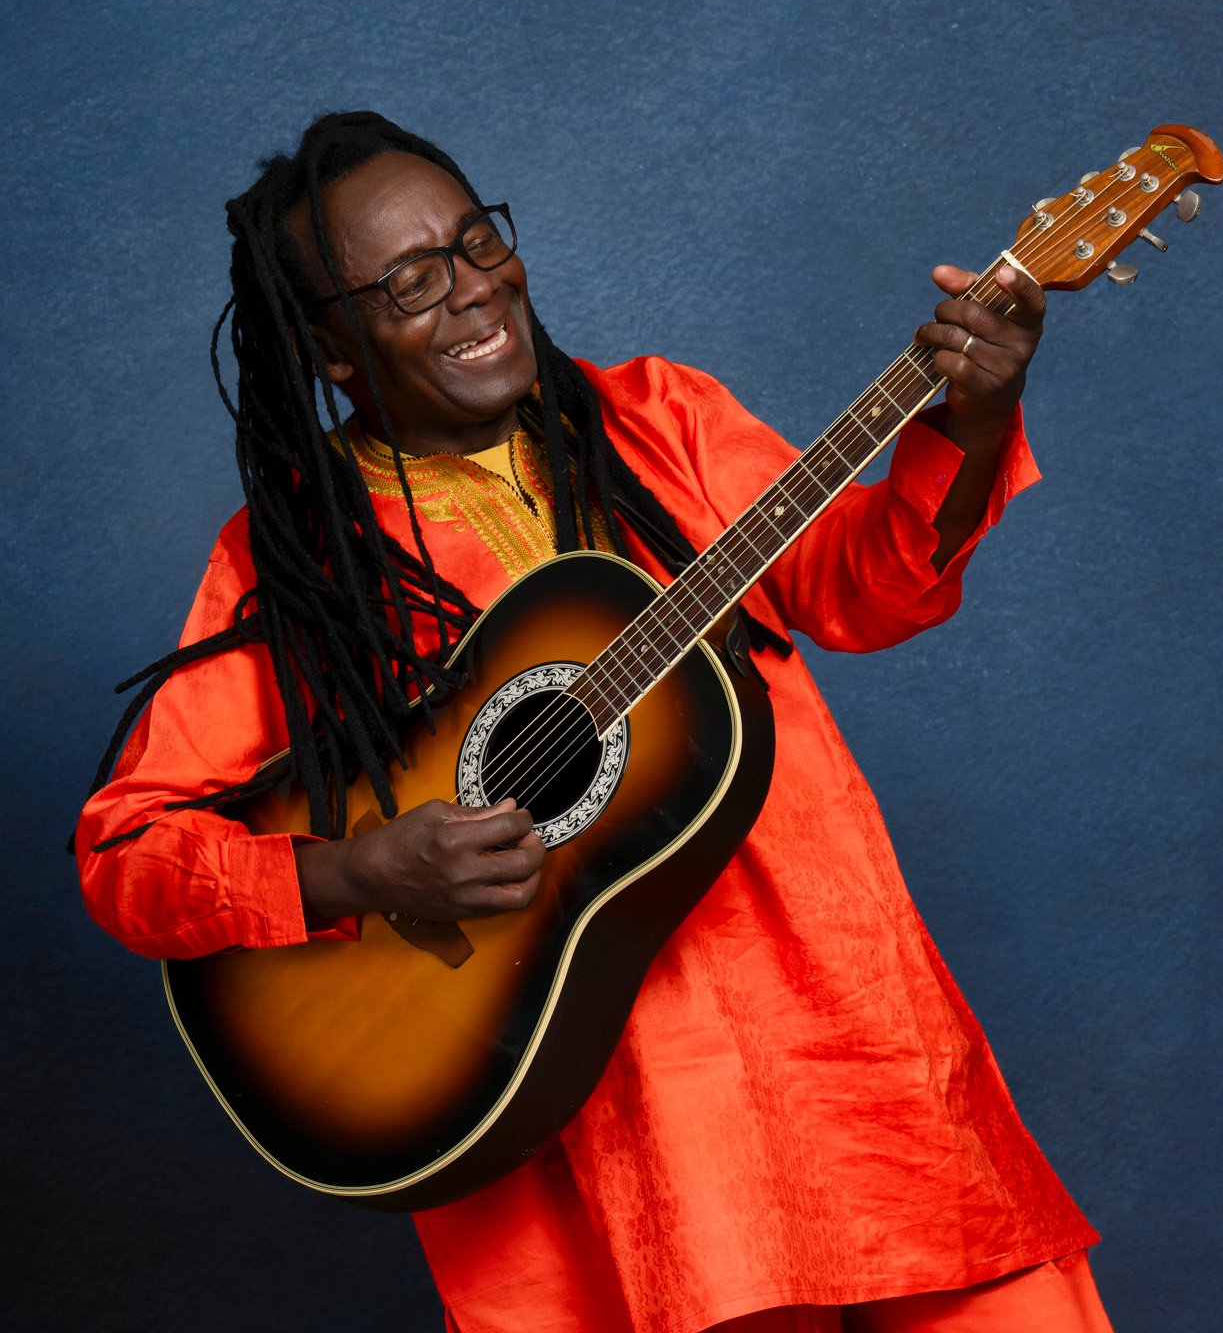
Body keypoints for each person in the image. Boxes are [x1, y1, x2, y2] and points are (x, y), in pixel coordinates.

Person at [74, 112, 1111, 1333]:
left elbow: (864, 586)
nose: (475, 288)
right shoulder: (298, 564)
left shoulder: (659, 420)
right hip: (609, 1136)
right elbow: (129, 856)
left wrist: (971, 422)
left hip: (846, 1034)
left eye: (476, 241)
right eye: (411, 281)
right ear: (331, 348)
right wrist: (356, 870)